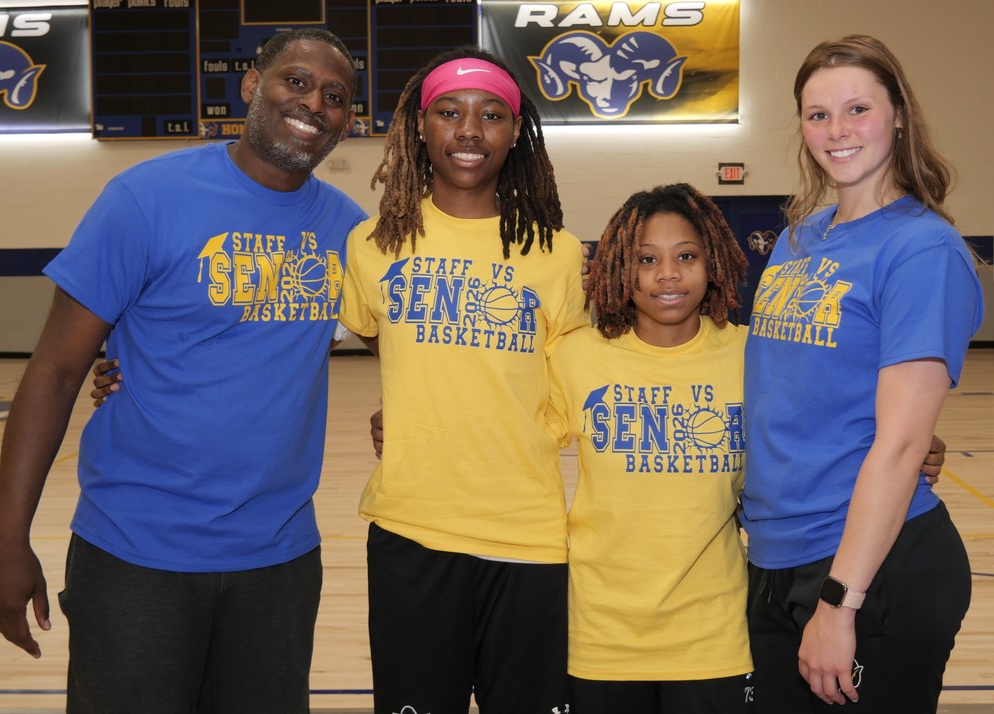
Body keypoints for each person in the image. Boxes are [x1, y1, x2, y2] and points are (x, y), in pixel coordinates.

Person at [0, 28, 366, 713]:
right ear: (252, 87)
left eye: (335, 96)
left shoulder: (348, 231)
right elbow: (56, 370)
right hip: (135, 555)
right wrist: (8, 539)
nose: (314, 102)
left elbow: (420, 334)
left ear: (348, 120)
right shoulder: (145, 197)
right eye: (296, 81)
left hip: (277, 561)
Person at [338, 47, 588, 713]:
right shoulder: (374, 244)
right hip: (413, 528)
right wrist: (417, 396)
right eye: (449, 112)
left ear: (516, 132)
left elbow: (579, 374)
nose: (469, 130)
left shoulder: (556, 252)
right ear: (421, 127)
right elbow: (373, 327)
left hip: (527, 533)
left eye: (491, 115)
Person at [740, 34, 984, 712]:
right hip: (773, 557)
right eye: (818, 115)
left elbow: (903, 443)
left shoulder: (921, 247)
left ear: (899, 112)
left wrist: (840, 603)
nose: (837, 131)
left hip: (866, 567)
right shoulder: (796, 238)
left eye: (857, 109)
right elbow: (782, 391)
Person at [546, 182, 754, 713]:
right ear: (620, 267)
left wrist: (911, 443)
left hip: (715, 634)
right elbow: (504, 437)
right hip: (601, 633)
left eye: (686, 256)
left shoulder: (750, 355)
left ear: (712, 265)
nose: (668, 274)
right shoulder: (577, 357)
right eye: (646, 259)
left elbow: (819, 429)